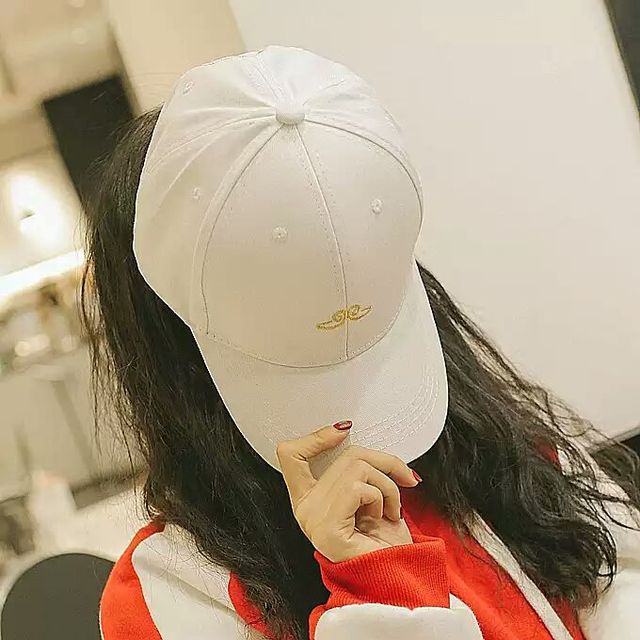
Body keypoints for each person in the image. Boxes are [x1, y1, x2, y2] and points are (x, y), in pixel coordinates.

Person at [83, 47, 640, 640]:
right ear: (175, 342)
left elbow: (618, 572)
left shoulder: (510, 456)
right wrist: (385, 593)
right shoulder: (169, 594)